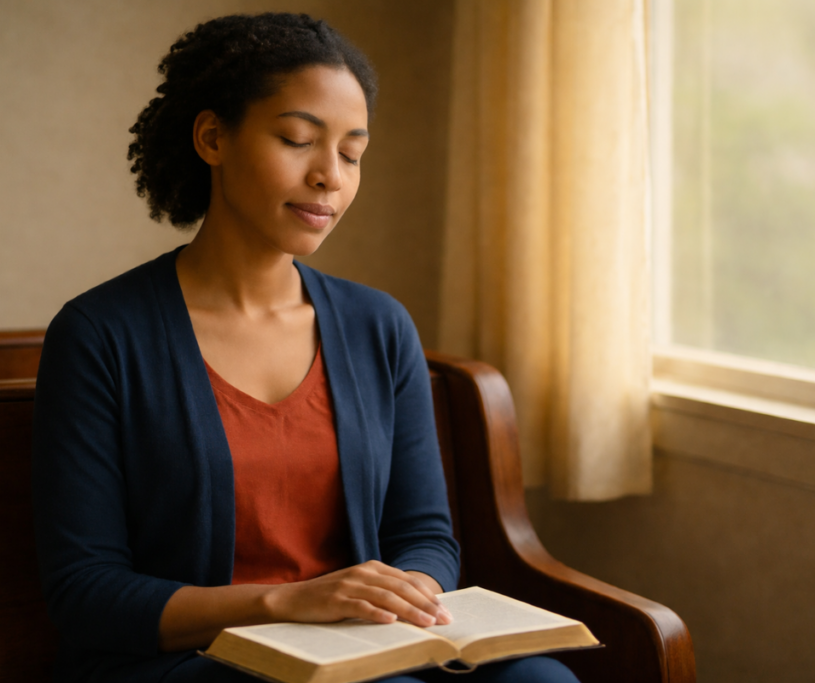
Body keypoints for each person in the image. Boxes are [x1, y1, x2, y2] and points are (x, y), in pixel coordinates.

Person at [31, 12, 579, 683]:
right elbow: (85, 589)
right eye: (298, 140)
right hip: (187, 661)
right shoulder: (99, 335)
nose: (331, 176)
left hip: (357, 648)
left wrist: (394, 596)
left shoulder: (380, 326)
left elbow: (426, 534)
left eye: (352, 154)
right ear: (212, 138)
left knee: (540, 680)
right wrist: (289, 602)